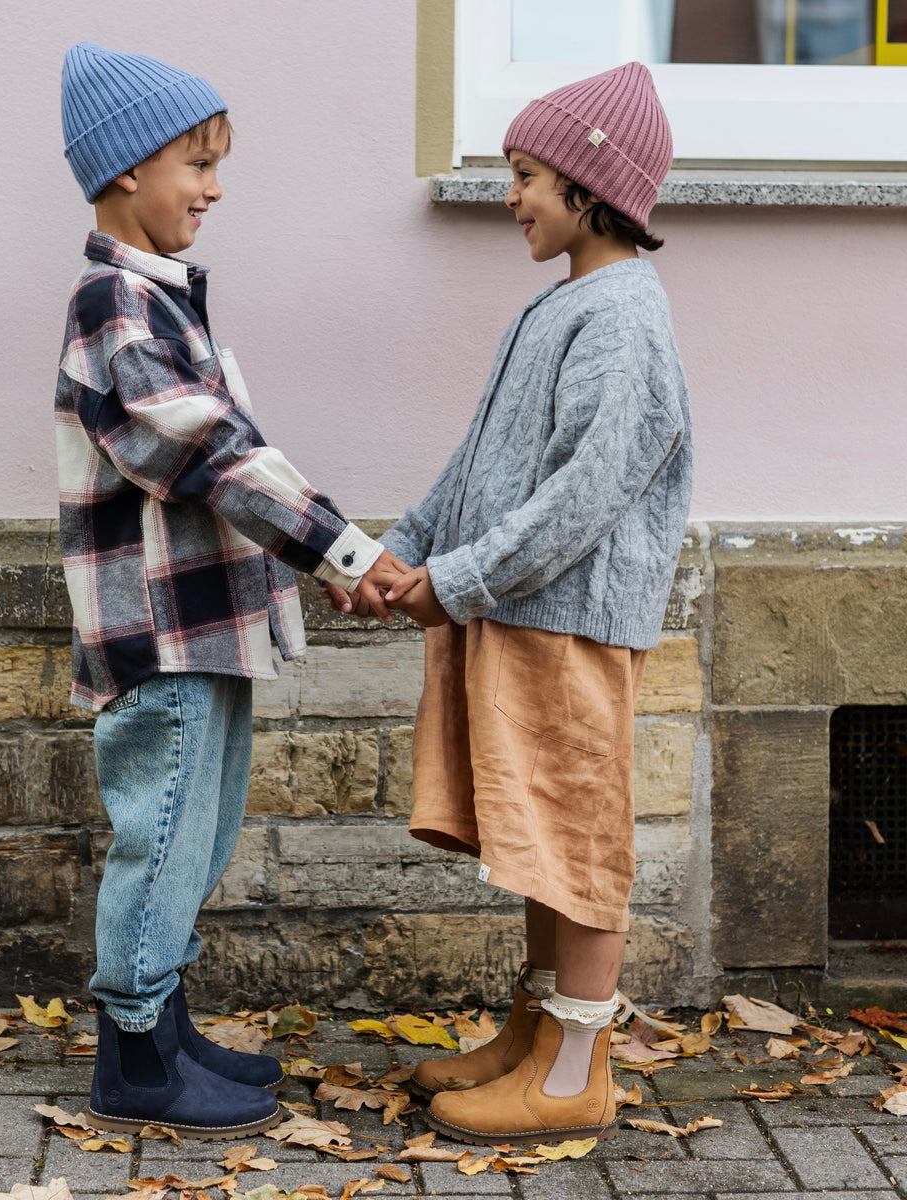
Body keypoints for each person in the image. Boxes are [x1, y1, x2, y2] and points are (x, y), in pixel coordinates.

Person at [327, 61, 692, 1146]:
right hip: (525, 613)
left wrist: (460, 580)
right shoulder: (566, 304)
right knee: (536, 833)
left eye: (527, 174)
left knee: (575, 834)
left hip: (569, 622)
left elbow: (583, 495)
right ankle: (539, 1034)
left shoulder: (624, 320)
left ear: (592, 185)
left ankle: (576, 1070)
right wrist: (408, 548)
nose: (511, 196)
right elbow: (483, 457)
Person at [55, 42, 406, 1139]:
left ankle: (168, 1025)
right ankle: (135, 1061)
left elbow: (243, 450)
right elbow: (208, 455)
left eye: (215, 165)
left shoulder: (163, 299)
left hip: (205, 630)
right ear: (124, 173)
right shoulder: (115, 304)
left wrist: (324, 554)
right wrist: (345, 551)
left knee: (195, 836)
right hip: (159, 635)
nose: (212, 188)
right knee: (160, 835)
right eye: (192, 164)